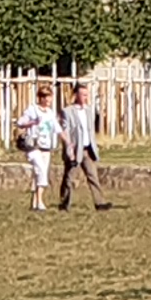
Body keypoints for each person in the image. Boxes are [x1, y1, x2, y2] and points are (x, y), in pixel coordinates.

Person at [58, 81, 106, 212]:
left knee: (93, 176)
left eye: (86, 94)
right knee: (69, 178)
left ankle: (100, 202)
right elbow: (66, 131)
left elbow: (91, 130)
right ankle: (64, 202)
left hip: (88, 149)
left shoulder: (89, 110)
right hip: (75, 150)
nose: (85, 97)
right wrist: (70, 151)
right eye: (83, 94)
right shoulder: (67, 112)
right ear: (76, 95)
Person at [17, 91, 61, 211]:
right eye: (46, 97)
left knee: (40, 173)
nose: (48, 100)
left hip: (46, 147)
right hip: (34, 146)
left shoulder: (50, 113)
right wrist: (32, 123)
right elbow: (20, 123)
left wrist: (67, 141)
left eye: (50, 97)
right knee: (40, 169)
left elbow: (57, 128)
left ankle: (35, 201)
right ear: (40, 98)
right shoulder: (32, 110)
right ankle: (40, 201)